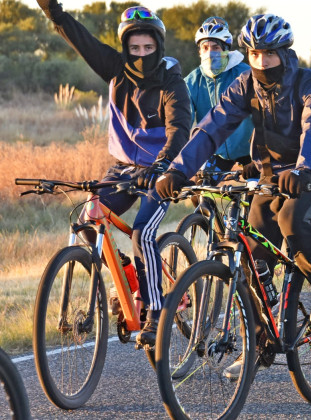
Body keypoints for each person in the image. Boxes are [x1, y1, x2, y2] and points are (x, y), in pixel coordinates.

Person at [156, 13, 311, 322]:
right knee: (253, 253)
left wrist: (305, 169)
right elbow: (212, 127)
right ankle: (260, 339)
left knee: (292, 219)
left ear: (283, 52)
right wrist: (178, 171)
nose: (262, 60)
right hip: (269, 174)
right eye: (255, 53)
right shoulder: (246, 84)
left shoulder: (310, 82)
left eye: (269, 53)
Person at [35, 2, 192, 347]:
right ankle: (125, 272)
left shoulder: (171, 82)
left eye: (148, 48)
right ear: (125, 47)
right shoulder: (115, 68)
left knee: (142, 234)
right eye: (134, 48)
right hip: (123, 167)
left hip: (161, 170)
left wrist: (164, 165)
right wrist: (54, 14)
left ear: (158, 46)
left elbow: (179, 128)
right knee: (90, 216)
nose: (141, 54)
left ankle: (153, 309)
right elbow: (82, 40)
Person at [184, 16, 255, 186]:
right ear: (199, 51)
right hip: (217, 151)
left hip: (251, 150)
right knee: (200, 193)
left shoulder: (246, 74)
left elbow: (264, 116)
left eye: (216, 47)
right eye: (205, 47)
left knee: (256, 199)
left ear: (226, 49)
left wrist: (261, 155)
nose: (210, 53)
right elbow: (183, 121)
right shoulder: (192, 81)